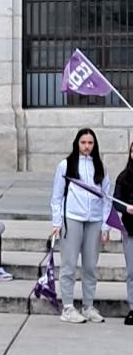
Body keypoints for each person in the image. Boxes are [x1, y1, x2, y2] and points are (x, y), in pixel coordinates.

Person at [51, 128, 113, 324]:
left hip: (94, 220)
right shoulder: (66, 165)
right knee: (69, 265)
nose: (86, 146)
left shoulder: (100, 166)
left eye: (90, 143)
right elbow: (57, 196)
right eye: (83, 142)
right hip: (72, 218)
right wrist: (56, 221)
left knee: (90, 266)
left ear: (95, 145)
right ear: (77, 143)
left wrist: (105, 226)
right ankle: (68, 307)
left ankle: (88, 306)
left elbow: (107, 198)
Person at [113, 141, 133, 325]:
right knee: (132, 272)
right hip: (130, 229)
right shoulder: (124, 177)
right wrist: (127, 208)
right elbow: (116, 201)